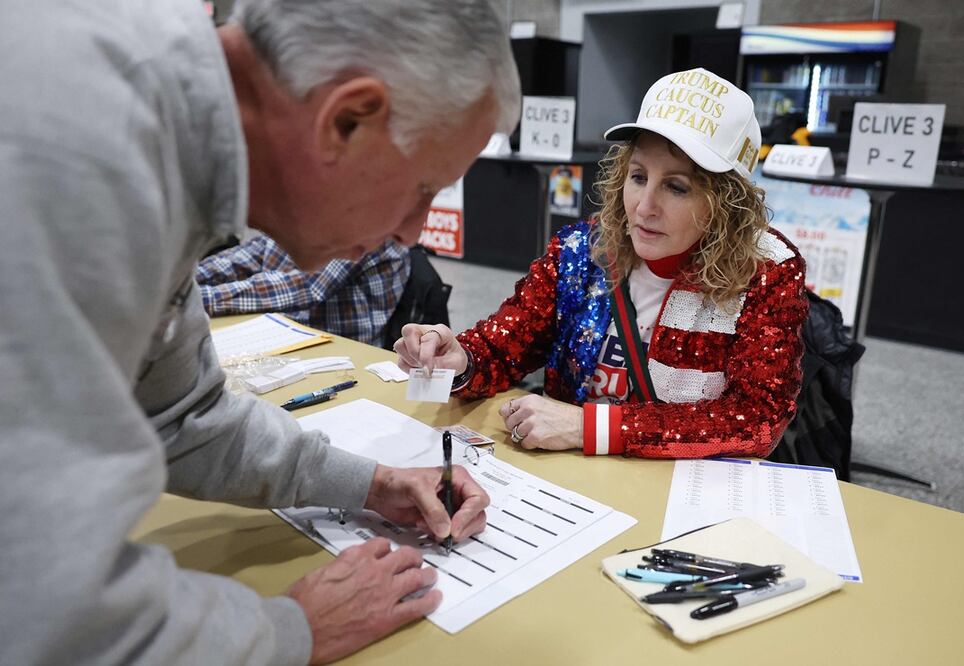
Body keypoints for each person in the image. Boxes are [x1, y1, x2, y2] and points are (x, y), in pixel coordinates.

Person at [0, 1, 520, 664]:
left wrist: (371, 482)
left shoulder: (163, 121)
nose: (414, 232)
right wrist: (284, 631)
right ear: (346, 119)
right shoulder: (87, 146)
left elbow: (181, 415)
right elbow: (40, 605)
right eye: (423, 187)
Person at [396, 68, 808, 459]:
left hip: (680, 497)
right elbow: (509, 342)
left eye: (676, 187)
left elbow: (757, 419)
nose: (644, 207)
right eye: (639, 176)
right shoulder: (582, 249)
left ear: (727, 203)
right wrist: (463, 358)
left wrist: (590, 427)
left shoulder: (766, 272)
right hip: (572, 482)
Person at [197, 235, 410, 344]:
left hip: (340, 356)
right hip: (285, 338)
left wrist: (195, 298)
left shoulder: (370, 224)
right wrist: (179, 282)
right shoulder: (308, 212)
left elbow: (305, 286)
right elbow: (247, 256)